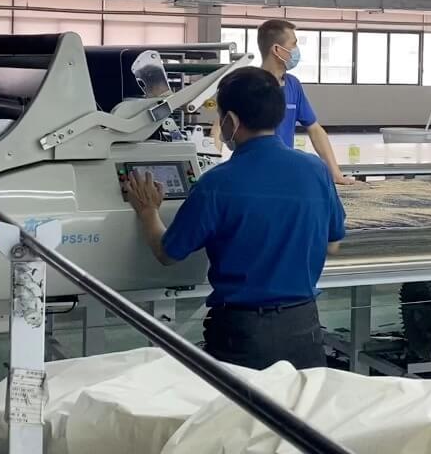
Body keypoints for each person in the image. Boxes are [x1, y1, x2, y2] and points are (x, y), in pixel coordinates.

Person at [124, 67, 346, 370]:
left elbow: (168, 253)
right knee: (296, 400)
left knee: (237, 401)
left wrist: (148, 211)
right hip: (304, 328)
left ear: (230, 121)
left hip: (243, 335)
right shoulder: (315, 170)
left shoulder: (217, 183)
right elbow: (333, 241)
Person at [254, 19, 357, 185]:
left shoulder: (293, 84)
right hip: (256, 174)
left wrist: (336, 173)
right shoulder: (249, 84)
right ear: (277, 50)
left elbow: (314, 129)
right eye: (294, 44)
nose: (297, 50)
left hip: (285, 174)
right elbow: (220, 127)